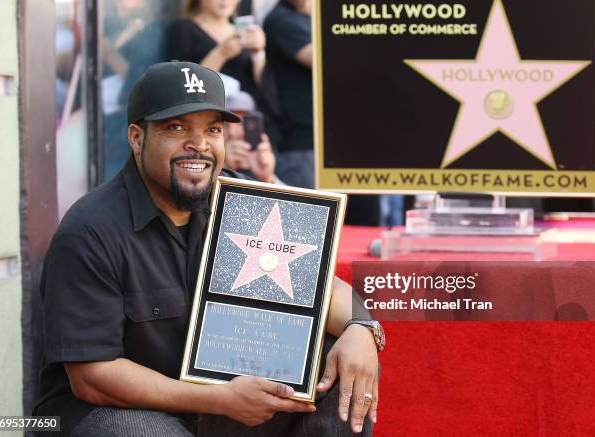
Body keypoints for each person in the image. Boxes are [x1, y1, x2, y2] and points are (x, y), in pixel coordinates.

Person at [34, 61, 382, 436]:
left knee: (347, 362)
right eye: (176, 127)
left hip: (224, 402)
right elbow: (92, 377)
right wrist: (220, 400)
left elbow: (319, 290)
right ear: (137, 137)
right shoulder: (90, 231)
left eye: (212, 129)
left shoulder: (241, 199)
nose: (198, 144)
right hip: (120, 412)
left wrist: (361, 328)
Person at [167, 0, 266, 98]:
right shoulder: (183, 30)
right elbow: (184, 86)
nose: (225, 1)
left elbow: (266, 90)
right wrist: (221, 54)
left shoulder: (244, 31)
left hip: (249, 109)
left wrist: (258, 52)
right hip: (209, 109)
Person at [263, 0, 314, 188]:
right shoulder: (280, 19)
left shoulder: (311, 17)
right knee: (309, 213)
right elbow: (325, 60)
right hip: (300, 140)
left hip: (328, 138)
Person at [224, 90, 279, 184]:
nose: (232, 132)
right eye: (225, 125)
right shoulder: (211, 159)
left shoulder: (264, 156)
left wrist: (267, 178)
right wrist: (223, 169)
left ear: (255, 125)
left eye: (239, 123)